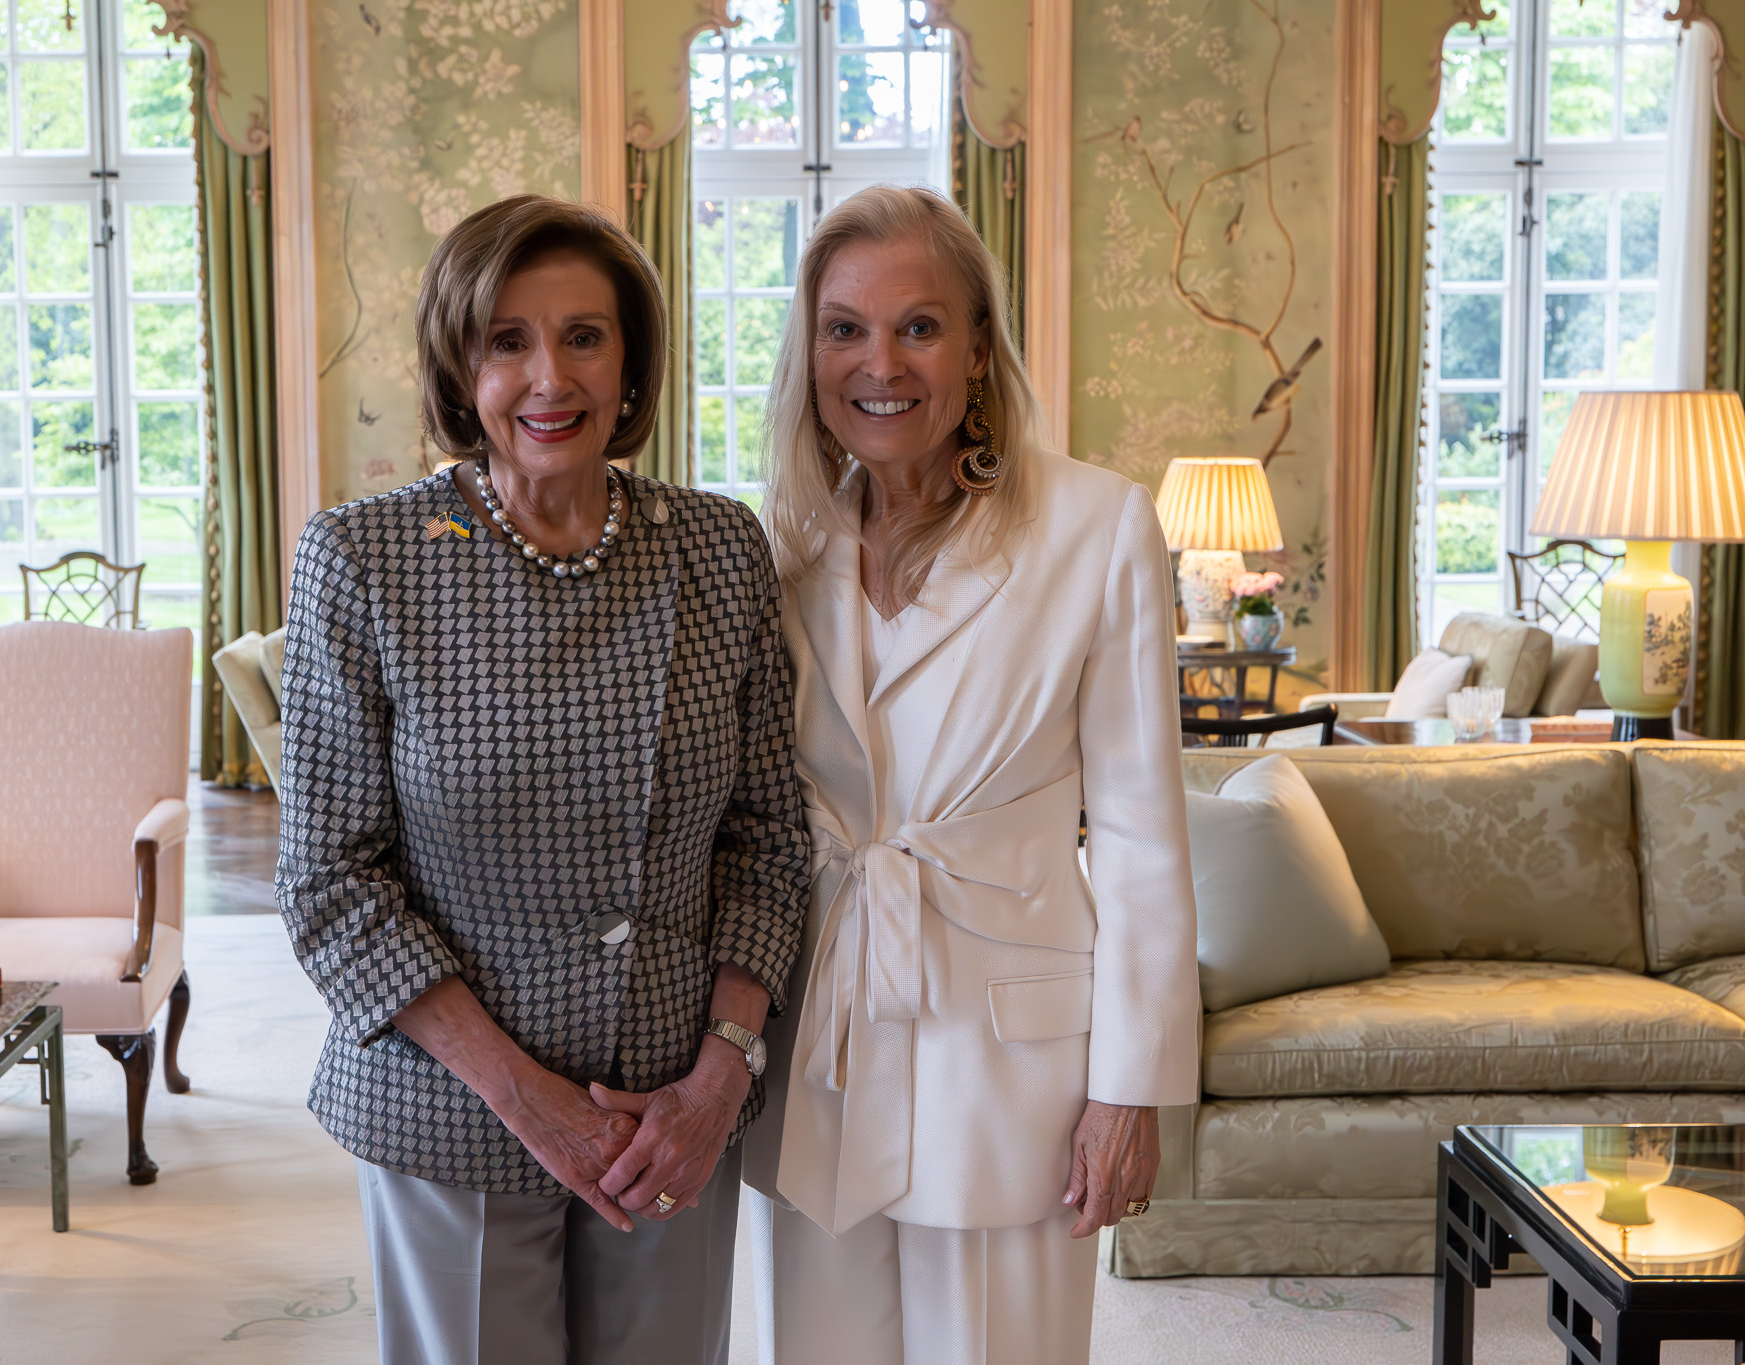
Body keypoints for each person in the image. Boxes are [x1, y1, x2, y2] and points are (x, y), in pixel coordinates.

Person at [275, 194, 811, 1365]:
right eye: (506, 340)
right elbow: (329, 882)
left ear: (631, 362)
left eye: (583, 336)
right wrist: (526, 1098)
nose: (546, 378)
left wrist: (723, 1071)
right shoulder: (362, 560)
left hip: (669, 1113)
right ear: (459, 366)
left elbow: (769, 842)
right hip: (452, 1103)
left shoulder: (716, 549)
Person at [742, 184, 1200, 1363]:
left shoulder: (1093, 529)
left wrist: (1128, 1089)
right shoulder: (780, 544)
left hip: (1013, 1063)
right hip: (826, 1041)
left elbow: (1144, 836)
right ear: (809, 353)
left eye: (919, 325)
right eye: (843, 328)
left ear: (979, 348)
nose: (878, 363)